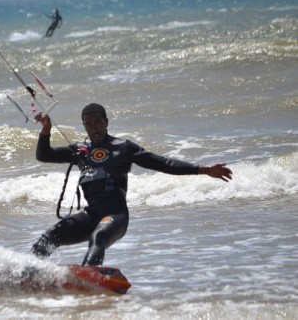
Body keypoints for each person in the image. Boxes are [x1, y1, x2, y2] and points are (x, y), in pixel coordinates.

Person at [30, 103, 233, 266]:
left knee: (99, 237)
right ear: (84, 126)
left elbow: (163, 163)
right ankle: (24, 273)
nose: (94, 128)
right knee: (51, 234)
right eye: (89, 124)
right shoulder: (80, 151)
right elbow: (44, 155)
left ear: (106, 122)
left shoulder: (123, 148)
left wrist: (204, 170)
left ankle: (89, 279)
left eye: (98, 122)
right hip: (91, 214)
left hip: (115, 216)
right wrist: (46, 130)